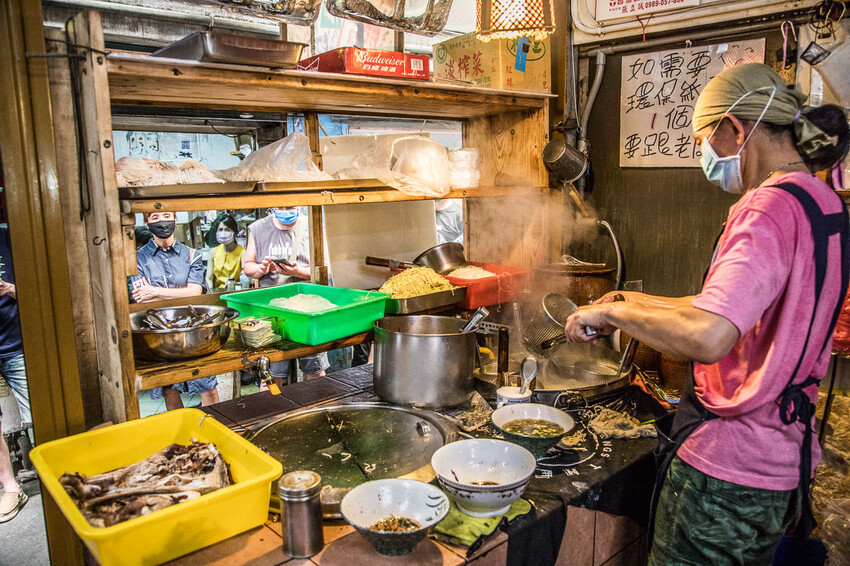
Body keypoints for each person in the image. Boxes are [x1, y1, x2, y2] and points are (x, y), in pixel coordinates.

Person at [564, 63, 850, 565]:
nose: (707, 156)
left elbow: (711, 335)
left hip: (730, 463)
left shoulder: (765, 209)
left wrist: (614, 320)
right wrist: (629, 303)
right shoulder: (820, 202)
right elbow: (731, 310)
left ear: (736, 128)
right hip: (785, 450)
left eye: (705, 140)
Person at [130, 212, 220, 410]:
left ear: (175, 219)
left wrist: (154, 291)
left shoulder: (191, 254)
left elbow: (195, 292)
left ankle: (220, 429)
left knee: (208, 387)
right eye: (155, 217)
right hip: (160, 338)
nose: (161, 221)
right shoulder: (136, 260)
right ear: (146, 222)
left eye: (166, 215)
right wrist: (180, 293)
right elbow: (140, 297)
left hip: (195, 334)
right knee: (170, 389)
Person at [242, 207, 328, 380]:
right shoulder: (258, 228)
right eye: (280, 207)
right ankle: (272, 406)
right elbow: (247, 266)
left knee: (315, 368)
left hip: (308, 312)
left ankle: (319, 406)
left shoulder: (315, 226)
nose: (285, 211)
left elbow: (328, 270)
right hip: (271, 313)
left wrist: (298, 272)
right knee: (270, 373)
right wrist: (261, 268)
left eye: (290, 207)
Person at [0, 227, 28, 522]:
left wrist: (8, 288)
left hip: (17, 344)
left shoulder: (10, 239)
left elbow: (37, 294)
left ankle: (56, 481)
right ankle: (10, 487)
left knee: (40, 415)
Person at [206, 214, 245, 291]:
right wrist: (211, 293)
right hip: (217, 293)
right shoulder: (213, 252)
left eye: (227, 230)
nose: (223, 233)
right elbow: (209, 278)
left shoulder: (243, 252)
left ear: (234, 232)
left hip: (236, 292)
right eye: (220, 230)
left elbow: (245, 279)